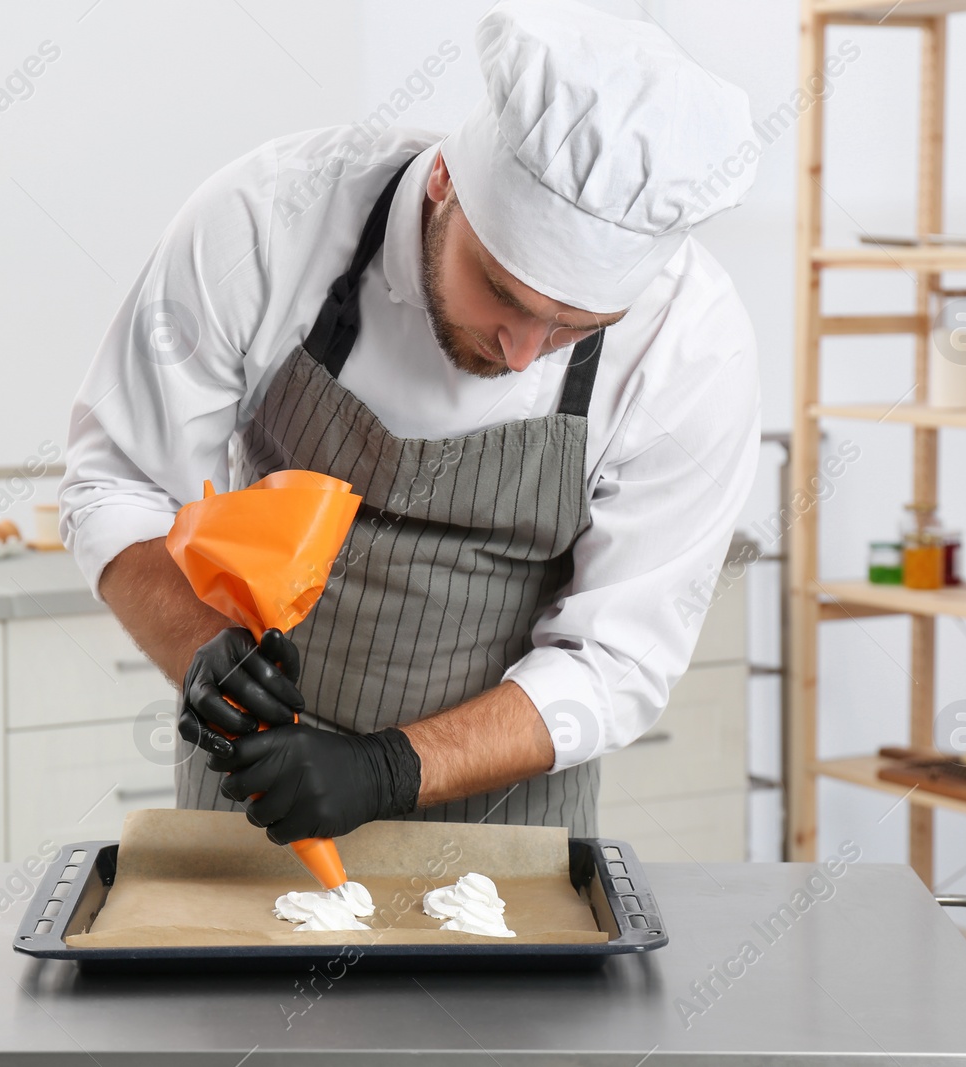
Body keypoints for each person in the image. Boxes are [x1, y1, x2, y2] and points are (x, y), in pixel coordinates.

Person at [60, 0, 760, 845]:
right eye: (504, 294)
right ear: (445, 182)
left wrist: (387, 769)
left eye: (577, 327)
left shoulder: (692, 347)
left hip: (506, 840)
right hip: (258, 799)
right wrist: (203, 652)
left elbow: (617, 662)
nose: (523, 351)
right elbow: (119, 482)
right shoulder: (268, 220)